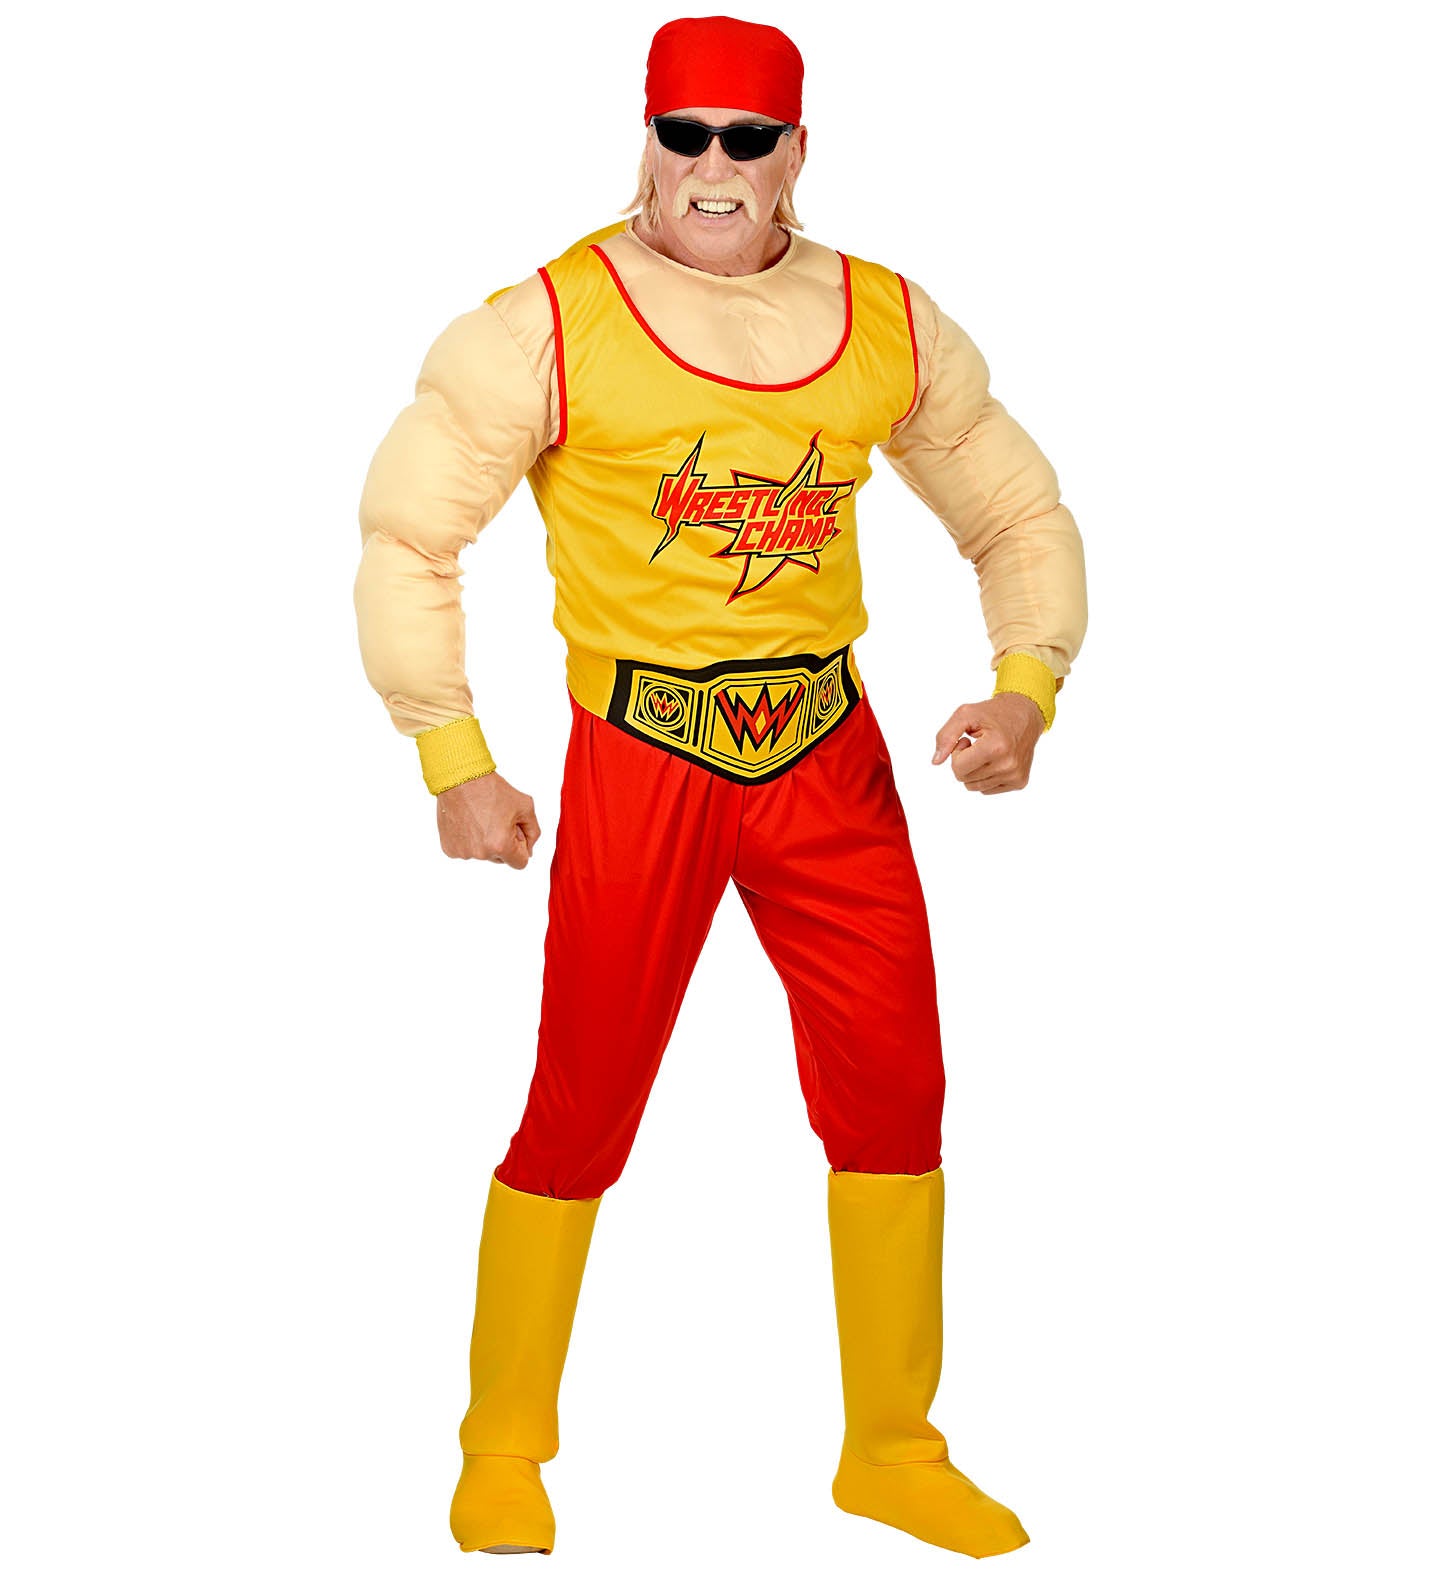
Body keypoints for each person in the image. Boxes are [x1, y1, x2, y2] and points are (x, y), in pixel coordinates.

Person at [354, 14, 1087, 1558]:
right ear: (643, 141)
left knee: (895, 1091)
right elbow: (411, 536)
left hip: (829, 755)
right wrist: (452, 755)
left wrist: (1025, 687)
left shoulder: (884, 321)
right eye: (682, 133)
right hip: (642, 757)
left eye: (745, 140)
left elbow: (1015, 511)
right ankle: (501, 1443)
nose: (710, 166)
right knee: (581, 1102)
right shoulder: (545, 325)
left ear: (794, 153)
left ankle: (891, 1447)